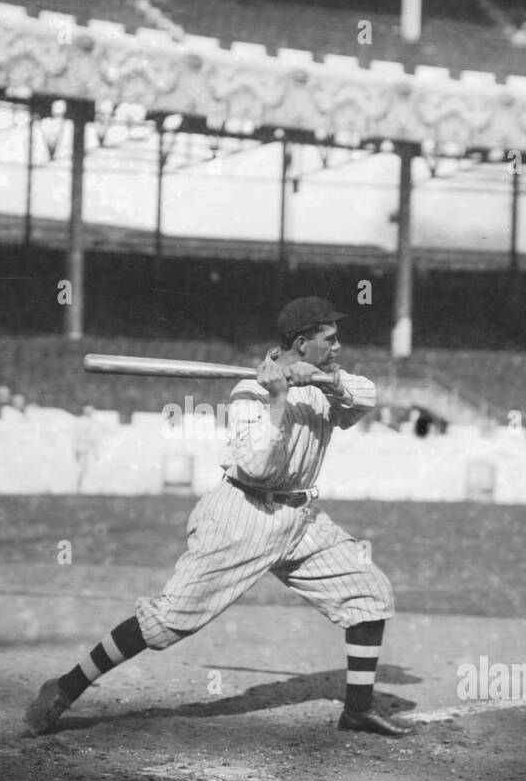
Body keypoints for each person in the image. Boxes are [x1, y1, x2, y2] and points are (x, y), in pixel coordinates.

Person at [24, 296, 413, 738]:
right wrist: (280, 398)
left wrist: (325, 379)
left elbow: (367, 395)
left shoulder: (326, 382)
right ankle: (66, 686)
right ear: (302, 344)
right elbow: (260, 467)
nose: (339, 346)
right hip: (243, 516)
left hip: (300, 518)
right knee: (168, 622)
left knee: (368, 593)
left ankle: (357, 711)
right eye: (331, 340)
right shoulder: (249, 393)